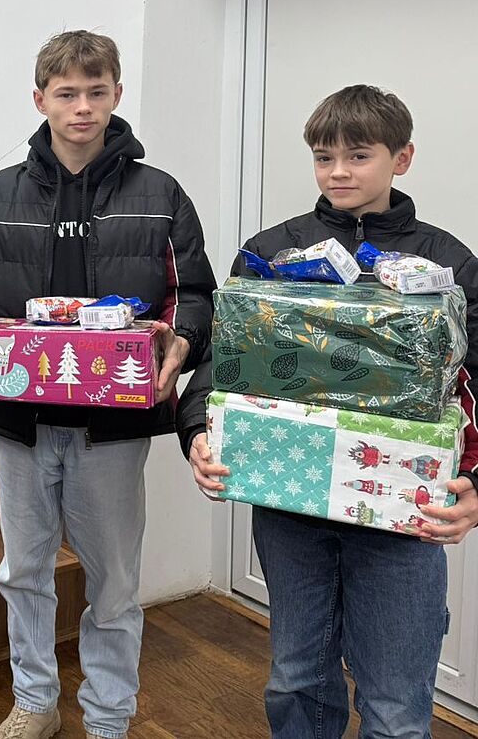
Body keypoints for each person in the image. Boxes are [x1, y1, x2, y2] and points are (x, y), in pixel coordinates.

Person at [178, 84, 478, 739]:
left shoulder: (447, 264)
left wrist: (477, 487)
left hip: (403, 515)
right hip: (290, 504)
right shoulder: (273, 253)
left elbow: (475, 383)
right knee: (295, 679)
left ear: (403, 158)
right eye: (323, 157)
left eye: (358, 156)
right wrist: (200, 431)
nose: (338, 172)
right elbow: (222, 364)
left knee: (397, 712)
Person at [0, 30, 215, 739]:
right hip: (17, 421)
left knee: (116, 585)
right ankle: (35, 699)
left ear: (117, 95)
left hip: (114, 430)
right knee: (22, 571)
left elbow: (194, 293)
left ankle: (109, 714)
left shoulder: (161, 194)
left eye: (97, 91)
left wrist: (179, 341)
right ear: (41, 100)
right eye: (67, 93)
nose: (83, 106)